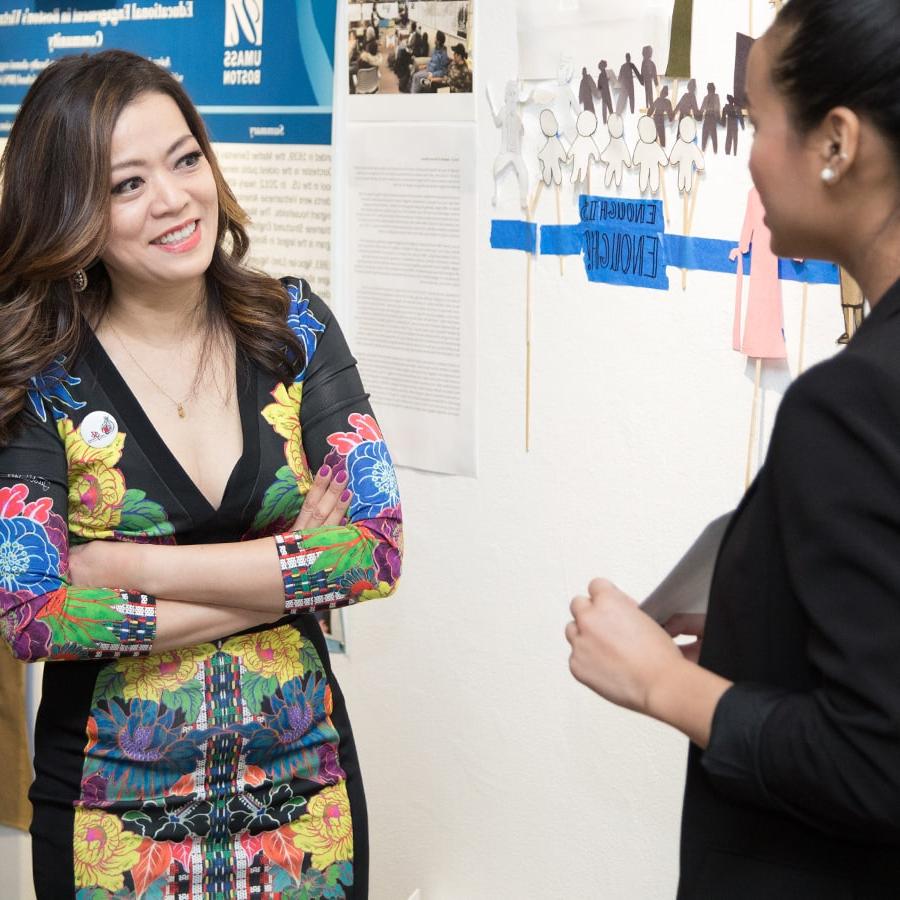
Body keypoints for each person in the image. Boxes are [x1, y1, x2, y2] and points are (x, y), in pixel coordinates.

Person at [0, 50, 402, 898]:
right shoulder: (41, 373)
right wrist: (291, 572)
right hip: (112, 822)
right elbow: (33, 617)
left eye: (186, 159)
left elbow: (374, 553)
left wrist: (127, 566)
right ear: (72, 208)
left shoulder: (294, 328)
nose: (175, 198)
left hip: (306, 798)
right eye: (127, 184)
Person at [565, 1, 900, 895]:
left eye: (755, 123)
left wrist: (660, 686)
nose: (749, 157)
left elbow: (878, 762)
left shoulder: (855, 400)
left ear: (836, 142)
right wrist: (766, 636)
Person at [411, 29, 449, 94]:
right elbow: (431, 61)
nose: (434, 39)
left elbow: (443, 71)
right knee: (415, 73)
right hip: (428, 70)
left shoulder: (444, 54)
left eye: (435, 38)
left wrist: (432, 74)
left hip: (433, 74)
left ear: (438, 41)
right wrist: (425, 66)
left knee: (416, 76)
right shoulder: (435, 49)